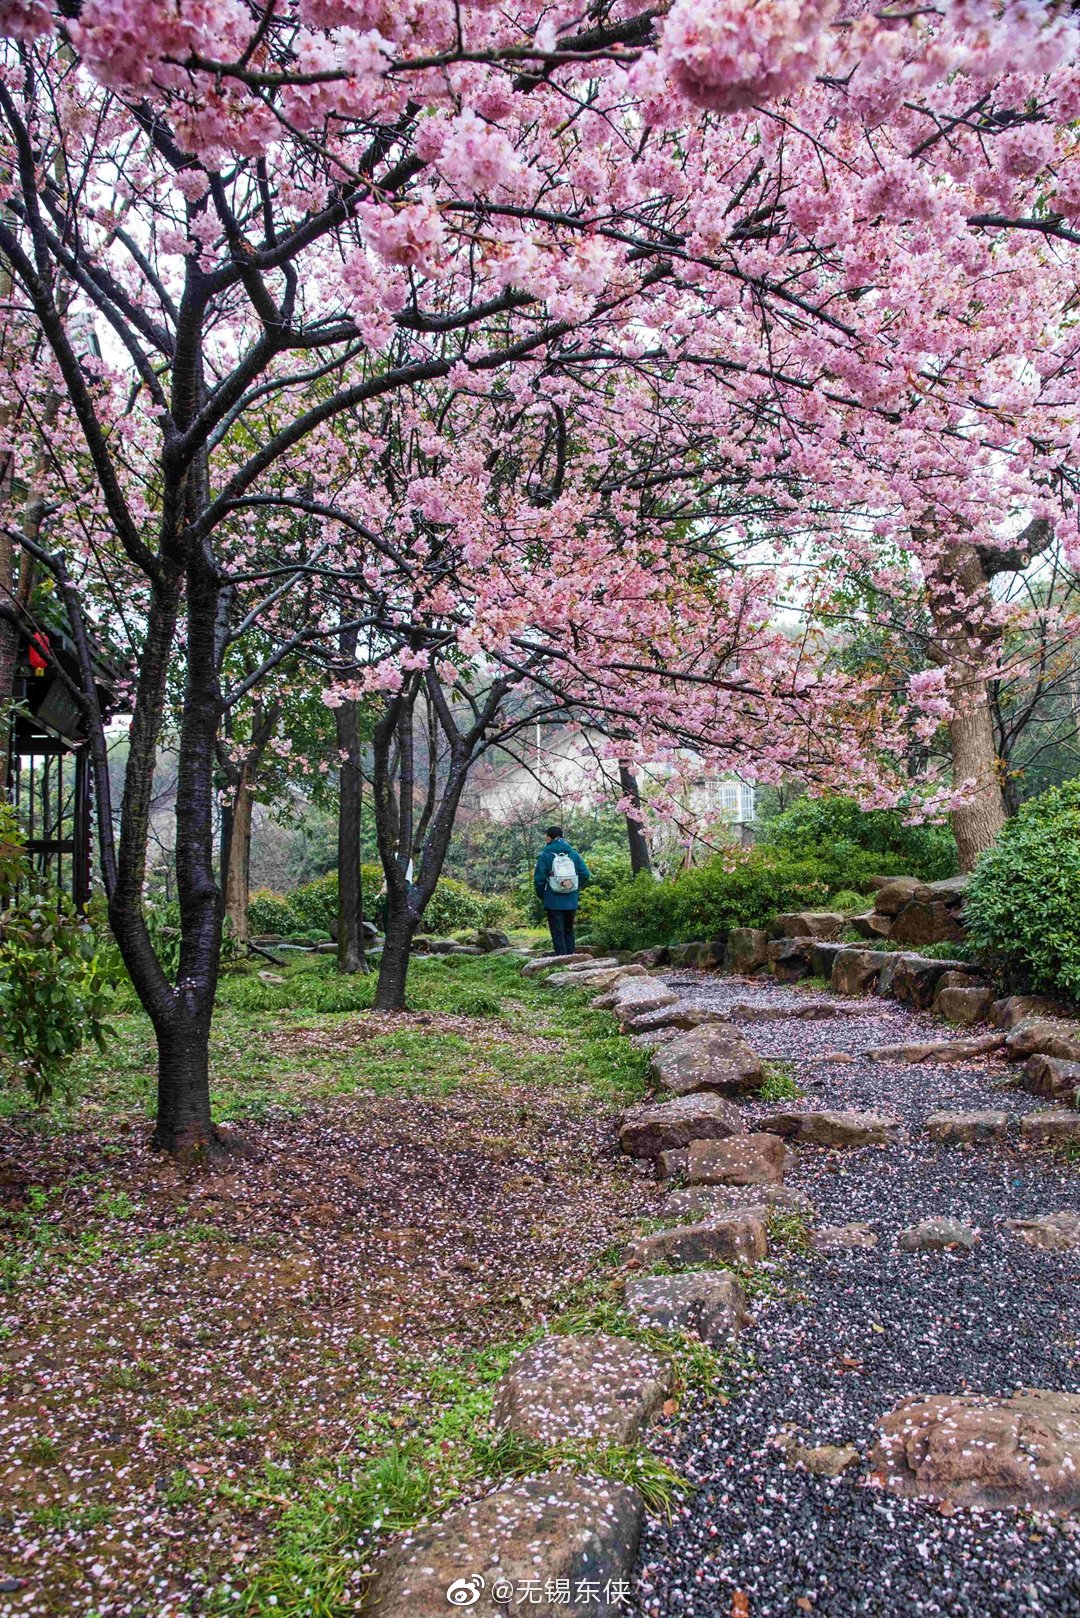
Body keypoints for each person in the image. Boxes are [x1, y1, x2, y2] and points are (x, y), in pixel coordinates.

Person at [533, 825, 591, 956]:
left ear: (549, 838)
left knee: (557, 932)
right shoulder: (573, 853)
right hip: (571, 899)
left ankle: (562, 961)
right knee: (569, 930)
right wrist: (574, 887)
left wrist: (542, 895)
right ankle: (572, 959)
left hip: (553, 900)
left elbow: (539, 879)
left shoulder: (545, 855)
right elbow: (585, 874)